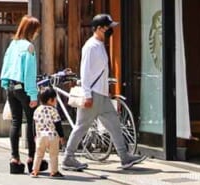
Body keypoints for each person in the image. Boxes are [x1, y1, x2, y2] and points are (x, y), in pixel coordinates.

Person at [62, 14, 147, 172]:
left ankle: (124, 157)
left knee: (114, 123)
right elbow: (85, 72)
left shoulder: (100, 45)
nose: (111, 30)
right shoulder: (91, 46)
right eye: (108, 27)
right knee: (82, 126)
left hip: (101, 94)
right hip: (93, 94)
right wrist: (87, 94)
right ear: (100, 28)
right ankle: (68, 157)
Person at [0, 16, 41, 174]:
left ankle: (14, 159)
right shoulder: (29, 47)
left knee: (16, 122)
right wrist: (33, 95)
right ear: (32, 30)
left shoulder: (13, 44)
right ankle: (32, 159)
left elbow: (6, 65)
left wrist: (5, 84)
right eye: (36, 30)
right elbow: (29, 73)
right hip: (23, 87)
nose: (37, 33)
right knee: (31, 121)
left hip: (10, 86)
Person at [31, 88, 64, 178]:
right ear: (50, 100)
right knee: (53, 155)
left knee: (38, 154)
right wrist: (61, 136)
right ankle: (54, 171)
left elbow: (34, 124)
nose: (56, 100)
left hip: (40, 136)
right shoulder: (53, 110)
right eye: (55, 98)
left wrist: (34, 135)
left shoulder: (37, 110)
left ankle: (35, 171)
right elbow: (58, 124)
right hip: (52, 136)